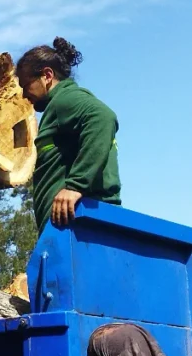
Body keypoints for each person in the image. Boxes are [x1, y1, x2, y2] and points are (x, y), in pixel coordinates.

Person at [15, 37, 121, 234]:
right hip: (71, 227)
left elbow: (103, 117)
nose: (23, 95)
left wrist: (75, 186)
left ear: (47, 75)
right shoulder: (58, 107)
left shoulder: (65, 100)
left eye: (25, 85)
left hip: (81, 227)